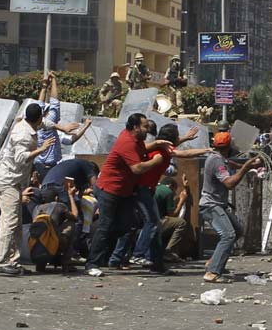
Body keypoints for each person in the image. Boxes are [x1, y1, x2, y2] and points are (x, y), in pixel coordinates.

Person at [111, 123, 210, 271]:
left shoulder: (161, 146)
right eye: (177, 135)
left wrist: (185, 138)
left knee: (149, 226)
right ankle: (138, 254)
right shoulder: (161, 150)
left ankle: (155, 264)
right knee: (152, 223)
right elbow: (183, 154)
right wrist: (206, 150)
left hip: (144, 189)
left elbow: (172, 146)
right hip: (142, 190)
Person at [84, 113, 172, 277]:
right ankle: (92, 263)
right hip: (110, 190)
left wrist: (157, 143)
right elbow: (137, 168)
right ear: (136, 127)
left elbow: (143, 149)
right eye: (145, 126)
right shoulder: (127, 142)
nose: (148, 129)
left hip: (124, 191)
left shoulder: (136, 140)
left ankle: (113, 257)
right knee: (105, 226)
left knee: (129, 225)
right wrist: (155, 161)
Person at [0, 103, 56, 276]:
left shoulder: (28, 123)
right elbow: (21, 159)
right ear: (38, 117)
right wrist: (41, 149)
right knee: (10, 221)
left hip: (14, 181)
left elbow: (46, 124)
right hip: (8, 181)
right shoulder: (23, 135)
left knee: (16, 223)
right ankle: (1, 261)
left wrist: (62, 127)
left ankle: (13, 260)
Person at [199, 132, 260, 283]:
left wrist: (246, 166)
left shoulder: (219, 157)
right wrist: (245, 168)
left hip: (218, 205)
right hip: (211, 205)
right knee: (228, 235)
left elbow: (229, 164)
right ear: (228, 146)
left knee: (237, 230)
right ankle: (212, 272)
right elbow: (229, 184)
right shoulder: (216, 161)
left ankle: (213, 262)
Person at [34, 72, 89, 180]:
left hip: (38, 166)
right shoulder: (50, 123)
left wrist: (45, 87)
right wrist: (54, 80)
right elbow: (54, 103)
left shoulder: (34, 124)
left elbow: (39, 105)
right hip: (50, 167)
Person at [30, 185, 79, 274]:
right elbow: (75, 216)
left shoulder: (36, 208)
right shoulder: (59, 205)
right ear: (56, 198)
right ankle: (66, 263)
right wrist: (71, 196)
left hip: (37, 243)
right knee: (72, 224)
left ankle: (41, 265)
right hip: (54, 242)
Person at [155, 176, 190, 262]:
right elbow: (173, 214)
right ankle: (168, 251)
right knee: (181, 223)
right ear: (170, 186)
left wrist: (185, 187)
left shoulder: (157, 188)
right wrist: (181, 201)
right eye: (175, 190)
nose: (174, 194)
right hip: (157, 222)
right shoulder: (168, 192)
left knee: (170, 223)